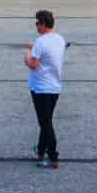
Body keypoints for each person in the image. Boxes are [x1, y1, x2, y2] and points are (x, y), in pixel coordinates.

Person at [25, 9, 66, 169]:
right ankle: (41, 150)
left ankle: (53, 157)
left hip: (41, 88)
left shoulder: (40, 42)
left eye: (37, 23)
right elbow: (50, 53)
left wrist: (28, 53)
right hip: (55, 87)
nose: (36, 26)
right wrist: (35, 46)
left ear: (43, 24)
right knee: (46, 121)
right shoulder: (59, 39)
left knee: (46, 123)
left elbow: (33, 64)